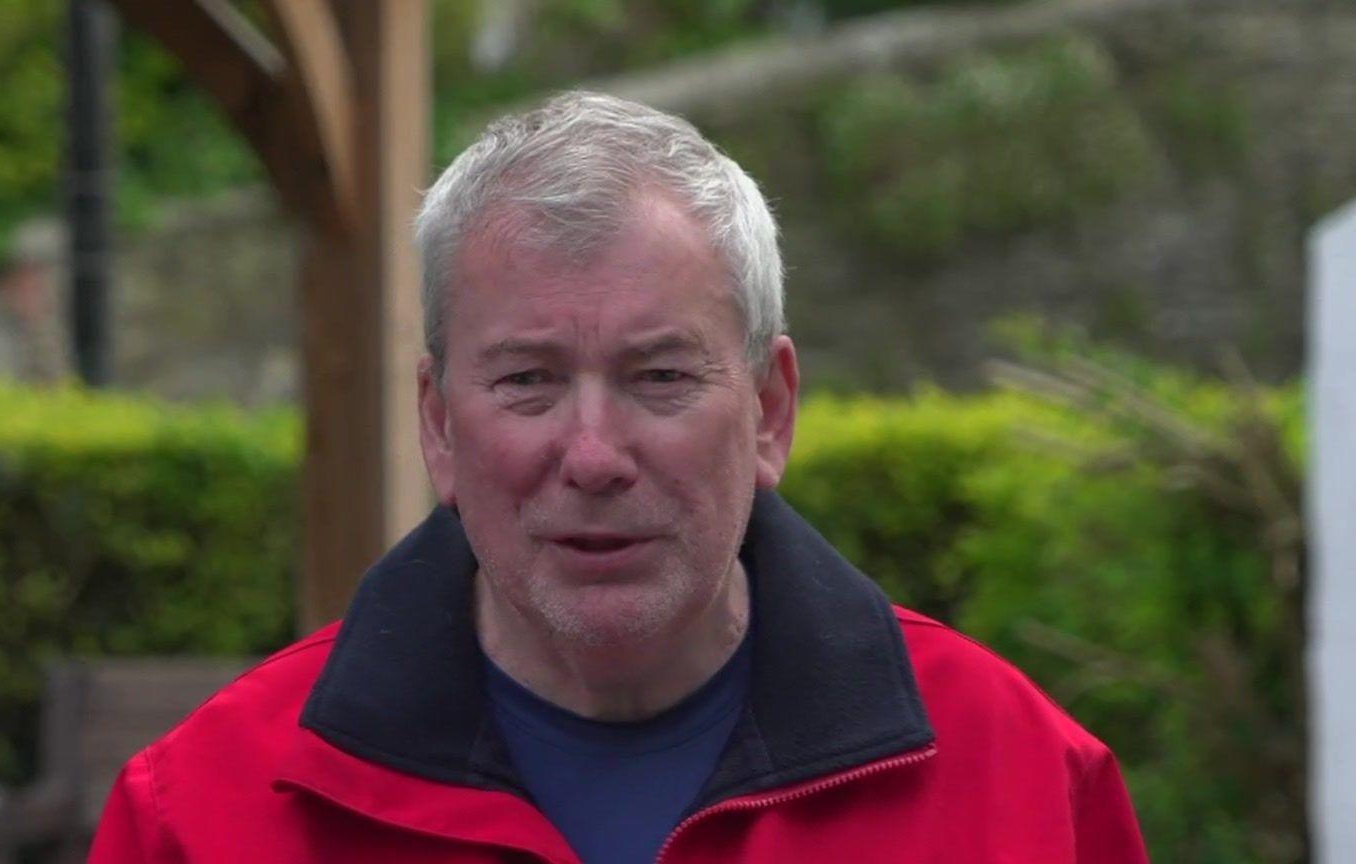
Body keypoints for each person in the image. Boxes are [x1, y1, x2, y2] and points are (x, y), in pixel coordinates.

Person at [88, 91, 1149, 863]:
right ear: (439, 424)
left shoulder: (1023, 788)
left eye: (660, 376)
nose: (593, 456)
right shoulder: (202, 819)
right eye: (529, 382)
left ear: (771, 412)